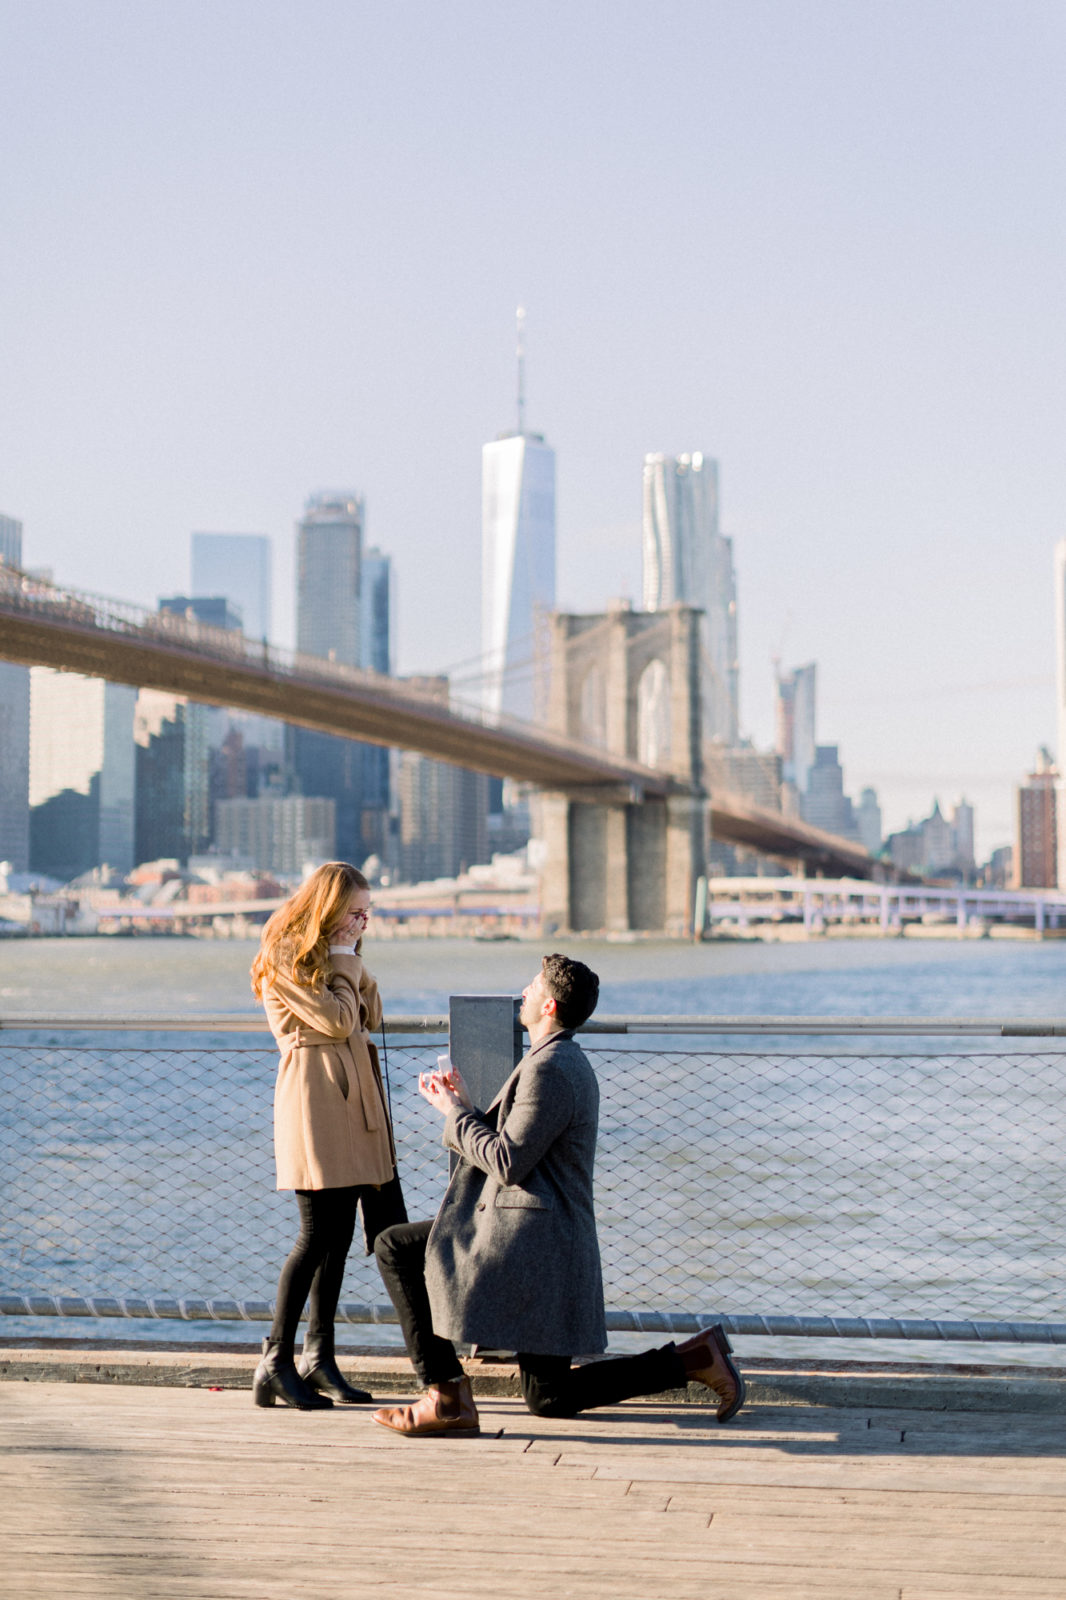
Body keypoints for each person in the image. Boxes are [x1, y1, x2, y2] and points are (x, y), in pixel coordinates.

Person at [372, 952, 744, 1436]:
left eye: (531, 987)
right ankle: (694, 1359)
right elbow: (526, 1147)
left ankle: (445, 1394)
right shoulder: (555, 1059)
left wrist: (451, 1113)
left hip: (532, 1245)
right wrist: (463, 1105)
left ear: (548, 1006)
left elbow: (508, 1160)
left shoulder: (551, 1068)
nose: (523, 993)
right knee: (549, 1396)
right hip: (539, 1238)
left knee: (395, 1248)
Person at [250, 861, 406, 1410]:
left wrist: (351, 959)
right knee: (315, 1233)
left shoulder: (340, 953)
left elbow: (372, 1013)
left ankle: (319, 1357)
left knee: (339, 1239)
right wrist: (345, 962)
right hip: (314, 1097)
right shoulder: (288, 954)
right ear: (330, 908)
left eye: (368, 914)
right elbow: (340, 1021)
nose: (363, 922)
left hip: (353, 1097)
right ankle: (275, 1359)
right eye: (356, 912)